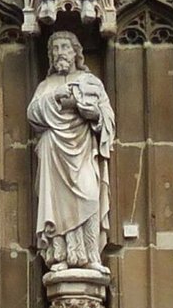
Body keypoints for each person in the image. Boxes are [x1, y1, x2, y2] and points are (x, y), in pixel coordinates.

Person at [27, 30, 115, 269]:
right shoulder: (47, 85)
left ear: (76, 52)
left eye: (65, 47)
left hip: (83, 148)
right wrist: (55, 96)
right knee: (56, 205)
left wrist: (92, 113)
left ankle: (91, 255)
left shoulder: (92, 82)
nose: (59, 53)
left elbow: (108, 118)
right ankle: (61, 255)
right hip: (54, 151)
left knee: (89, 195)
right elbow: (33, 115)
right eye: (55, 49)